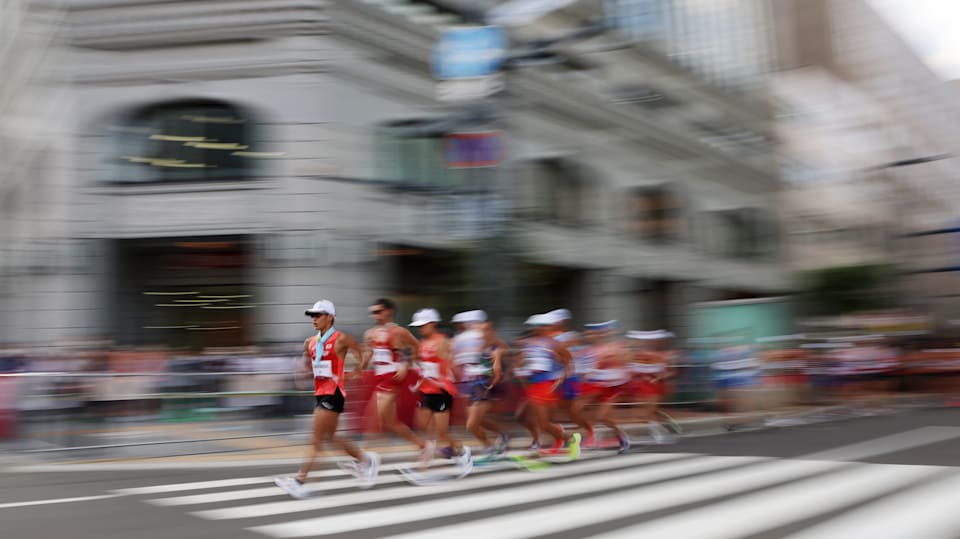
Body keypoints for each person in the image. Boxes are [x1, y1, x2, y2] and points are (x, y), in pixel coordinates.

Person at [275, 299, 380, 499]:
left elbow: (367, 353)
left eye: (318, 315)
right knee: (330, 438)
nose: (313, 319)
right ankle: (365, 460)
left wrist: (356, 371)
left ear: (330, 317)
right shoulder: (310, 342)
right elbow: (309, 370)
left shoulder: (342, 339)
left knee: (316, 439)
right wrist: (302, 373)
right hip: (320, 392)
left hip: (334, 393)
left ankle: (301, 481)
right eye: (312, 316)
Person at [357, 298, 429, 453]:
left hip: (392, 378)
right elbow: (369, 353)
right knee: (391, 423)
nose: (374, 315)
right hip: (379, 377)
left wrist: (406, 364)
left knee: (373, 416)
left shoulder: (398, 331)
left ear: (389, 311)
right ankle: (423, 446)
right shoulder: (370, 333)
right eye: (372, 313)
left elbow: (417, 347)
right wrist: (360, 369)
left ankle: (364, 457)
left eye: (378, 311)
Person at [408, 308, 472, 471]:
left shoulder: (443, 342)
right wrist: (418, 385)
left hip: (442, 392)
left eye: (423, 325)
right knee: (421, 425)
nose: (420, 329)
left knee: (442, 433)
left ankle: (463, 451)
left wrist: (445, 379)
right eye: (418, 326)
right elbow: (425, 369)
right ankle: (426, 458)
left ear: (433, 324)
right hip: (427, 391)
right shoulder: (422, 344)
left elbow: (449, 366)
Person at [515, 312, 582, 457]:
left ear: (544, 327)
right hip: (533, 384)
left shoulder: (553, 343)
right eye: (532, 327)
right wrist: (519, 368)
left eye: (536, 327)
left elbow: (568, 362)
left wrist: (559, 380)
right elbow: (522, 362)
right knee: (529, 418)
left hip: (545, 385)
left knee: (543, 423)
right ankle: (556, 440)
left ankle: (570, 439)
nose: (533, 330)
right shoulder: (529, 343)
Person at [582, 320, 632, 453]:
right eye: (588, 334)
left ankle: (622, 437)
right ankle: (591, 438)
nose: (588, 336)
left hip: (613, 387)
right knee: (584, 411)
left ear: (599, 335)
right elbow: (588, 369)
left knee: (601, 417)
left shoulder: (615, 347)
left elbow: (624, 365)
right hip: (598, 385)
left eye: (591, 334)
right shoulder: (590, 351)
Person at [548, 309, 596, 447]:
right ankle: (559, 436)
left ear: (563, 322)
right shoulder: (549, 338)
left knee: (572, 413)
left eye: (556, 321)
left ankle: (590, 431)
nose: (553, 324)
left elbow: (570, 356)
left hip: (568, 378)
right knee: (547, 411)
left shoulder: (571, 337)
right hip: (551, 378)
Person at [464, 320, 509, 457]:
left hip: (486, 388)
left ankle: (489, 446)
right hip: (475, 386)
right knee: (479, 421)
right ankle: (503, 435)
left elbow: (498, 370)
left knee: (471, 425)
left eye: (485, 330)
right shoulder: (481, 346)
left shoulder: (498, 347)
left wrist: (491, 383)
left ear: (492, 331)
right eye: (480, 330)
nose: (482, 333)